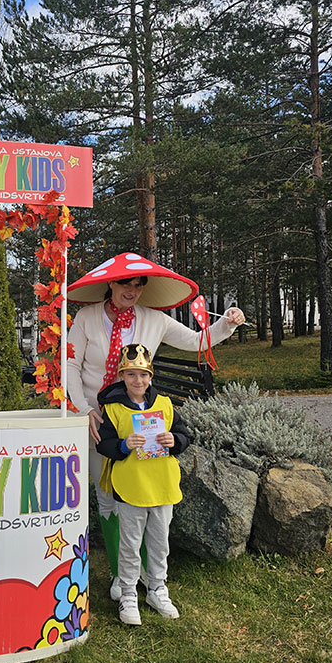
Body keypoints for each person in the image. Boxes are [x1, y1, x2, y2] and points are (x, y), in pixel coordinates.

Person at [66, 253, 246, 599]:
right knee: (107, 496)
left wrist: (228, 323)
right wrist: (83, 409)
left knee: (139, 497)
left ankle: (149, 577)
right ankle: (120, 574)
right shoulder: (87, 318)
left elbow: (196, 341)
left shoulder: (154, 319)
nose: (131, 290)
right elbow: (71, 364)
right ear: (111, 283)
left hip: (138, 422)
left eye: (138, 285)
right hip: (98, 421)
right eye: (125, 283)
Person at [96, 344, 189, 624]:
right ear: (122, 376)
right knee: (130, 544)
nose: (138, 380)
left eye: (143, 375)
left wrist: (175, 441)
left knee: (159, 544)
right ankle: (127, 594)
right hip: (131, 488)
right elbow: (104, 445)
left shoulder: (165, 405)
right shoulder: (113, 409)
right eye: (131, 374)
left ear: (151, 376)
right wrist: (123, 445)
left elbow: (184, 435)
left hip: (162, 486)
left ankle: (157, 588)